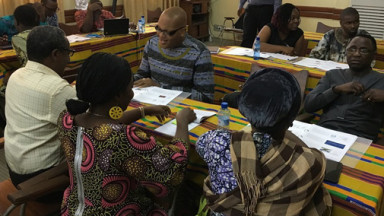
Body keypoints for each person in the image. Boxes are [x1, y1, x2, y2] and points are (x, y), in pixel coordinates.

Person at [59, 52, 196, 215]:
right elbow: (172, 170)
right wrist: (182, 121)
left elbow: (105, 121)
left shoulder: (66, 120)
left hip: (73, 208)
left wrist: (143, 111)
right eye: (130, 88)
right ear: (117, 95)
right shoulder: (124, 137)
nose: (132, 94)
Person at [197, 68, 332, 216]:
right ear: (292, 119)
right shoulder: (309, 162)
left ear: (246, 111)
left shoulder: (216, 141)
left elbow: (200, 147)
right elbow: (312, 155)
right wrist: (285, 124)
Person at [4, 26, 76, 187]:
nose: (69, 60)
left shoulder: (16, 76)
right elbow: (88, 122)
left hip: (15, 170)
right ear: (56, 54)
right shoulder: (57, 89)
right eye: (68, 53)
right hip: (45, 179)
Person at [305, 34, 384, 142]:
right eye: (352, 49)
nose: (356, 54)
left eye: (364, 50)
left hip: (359, 137)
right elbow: (309, 105)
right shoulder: (332, 75)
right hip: (324, 131)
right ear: (346, 52)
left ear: (373, 55)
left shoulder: (381, 80)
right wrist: (336, 90)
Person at [134, 7, 215, 103]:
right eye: (158, 29)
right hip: (152, 101)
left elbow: (206, 97)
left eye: (168, 32)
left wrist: (160, 88)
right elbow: (142, 75)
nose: (161, 36)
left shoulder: (199, 53)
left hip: (182, 109)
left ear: (182, 31)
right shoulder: (152, 44)